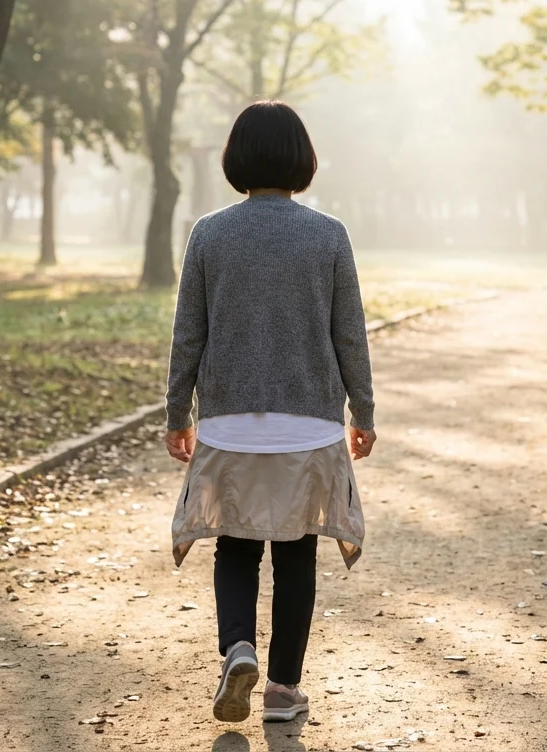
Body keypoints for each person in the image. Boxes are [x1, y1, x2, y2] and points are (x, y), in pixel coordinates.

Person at [164, 101, 376, 725]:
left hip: (229, 420)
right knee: (296, 554)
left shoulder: (209, 232)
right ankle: (282, 691)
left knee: (234, 544)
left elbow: (188, 335)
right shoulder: (329, 235)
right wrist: (362, 410)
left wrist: (179, 412)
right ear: (302, 160)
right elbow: (350, 335)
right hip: (308, 423)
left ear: (235, 159)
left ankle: (237, 649)